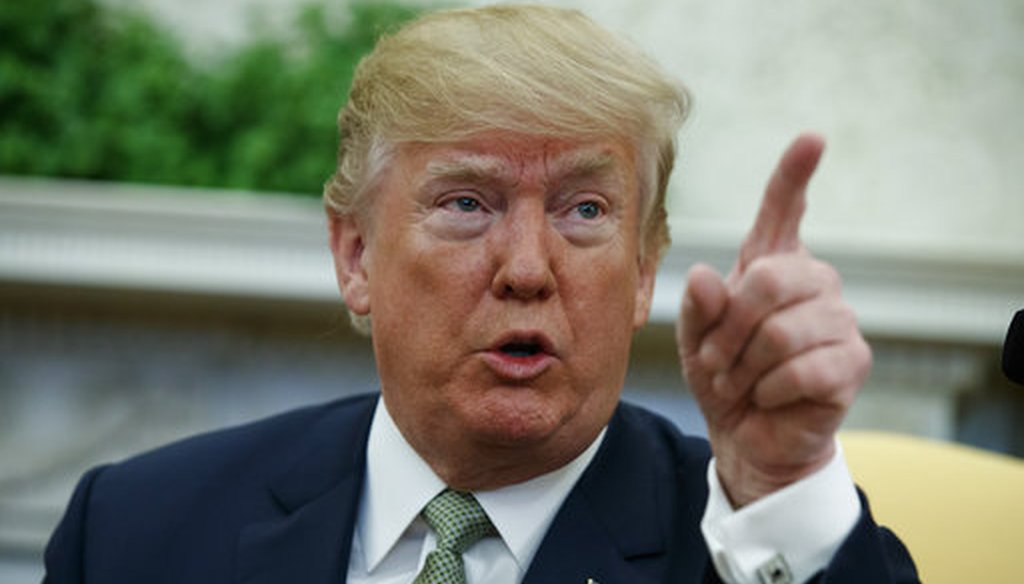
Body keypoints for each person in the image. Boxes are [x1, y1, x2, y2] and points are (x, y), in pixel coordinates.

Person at [43, 5, 918, 584]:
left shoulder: (748, 540)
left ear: (644, 266)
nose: (528, 268)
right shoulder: (134, 531)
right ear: (355, 255)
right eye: (467, 203)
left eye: (585, 209)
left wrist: (781, 481)